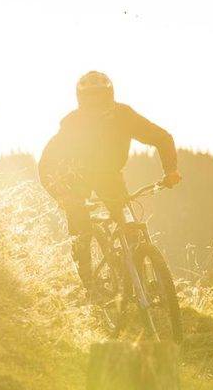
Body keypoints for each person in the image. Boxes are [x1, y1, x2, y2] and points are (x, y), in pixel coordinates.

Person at [38, 71, 181, 289]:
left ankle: (137, 281)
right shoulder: (72, 124)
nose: (95, 103)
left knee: (130, 227)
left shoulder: (123, 115)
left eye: (99, 96)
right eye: (90, 98)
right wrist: (62, 195)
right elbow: (46, 164)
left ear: (109, 95)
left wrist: (170, 171)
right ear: (81, 100)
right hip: (77, 177)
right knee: (80, 228)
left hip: (109, 176)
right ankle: (91, 287)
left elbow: (162, 138)